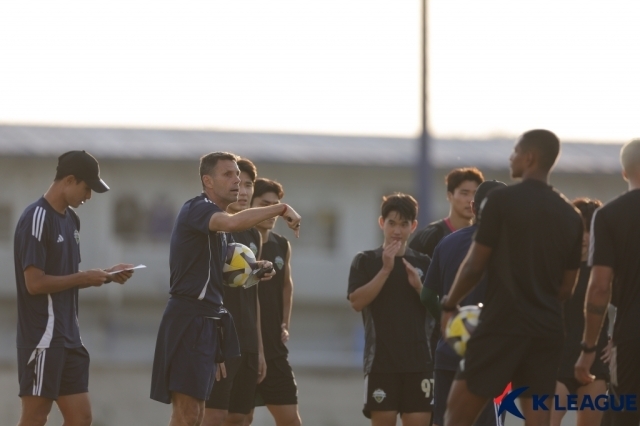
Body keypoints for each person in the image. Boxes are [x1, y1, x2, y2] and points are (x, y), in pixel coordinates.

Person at [440, 129, 583, 426]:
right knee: (538, 419)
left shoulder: (501, 202)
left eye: (516, 150)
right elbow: (568, 288)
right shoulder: (570, 215)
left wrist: (449, 304)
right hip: (547, 331)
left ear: (529, 157)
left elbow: (473, 266)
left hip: (502, 324)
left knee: (456, 414)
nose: (511, 157)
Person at [150, 152, 301, 426]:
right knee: (188, 415)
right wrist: (280, 208)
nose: (237, 182)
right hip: (189, 319)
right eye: (228, 175)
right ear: (208, 181)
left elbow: (225, 275)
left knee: (196, 415)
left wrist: (254, 271)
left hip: (212, 322)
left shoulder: (220, 232)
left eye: (239, 176)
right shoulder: (198, 208)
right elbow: (231, 222)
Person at [14, 150, 135, 426]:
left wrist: (106, 275)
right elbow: (34, 284)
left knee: (81, 417)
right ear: (69, 180)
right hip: (43, 337)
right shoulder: (36, 218)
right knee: (35, 417)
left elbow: (66, 277)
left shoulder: (72, 220)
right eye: (87, 188)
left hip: (70, 336)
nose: (89, 196)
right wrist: (83, 278)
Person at [421, 180, 507, 426]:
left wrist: (452, 325)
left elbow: (427, 296)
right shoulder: (507, 248)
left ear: (473, 206)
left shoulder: (447, 243)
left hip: (449, 351)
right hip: (490, 355)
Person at [348, 193, 433, 426]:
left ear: (413, 226)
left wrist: (419, 288)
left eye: (404, 224)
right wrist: (385, 270)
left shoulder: (424, 263)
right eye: (392, 223)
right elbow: (356, 302)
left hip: (420, 365)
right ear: (381, 223)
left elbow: (439, 310)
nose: (397, 230)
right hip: (381, 364)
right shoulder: (365, 261)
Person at [575, 138, 640, 425]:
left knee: (623, 414)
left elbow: (599, 287)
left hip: (631, 336)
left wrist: (588, 350)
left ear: (624, 172)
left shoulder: (610, 215)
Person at [203, 158, 267, 426]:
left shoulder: (254, 235)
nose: (243, 190)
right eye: (236, 183)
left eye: (248, 184)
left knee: (242, 417)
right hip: (220, 339)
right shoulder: (213, 226)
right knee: (214, 415)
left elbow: (252, 294)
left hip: (248, 341)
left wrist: (260, 349)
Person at [410, 167, 484, 360]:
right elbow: (421, 292)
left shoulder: (487, 240)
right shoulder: (430, 237)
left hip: (476, 334)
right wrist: (446, 319)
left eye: (475, 194)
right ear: (450, 196)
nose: (470, 200)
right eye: (464, 193)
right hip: (434, 338)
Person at [246, 178, 302, 426]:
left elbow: (287, 285)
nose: (271, 211)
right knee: (241, 418)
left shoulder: (282, 244)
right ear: (252, 205)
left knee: (290, 419)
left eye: (275, 205)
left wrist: (284, 323)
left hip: (274, 349)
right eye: (264, 204)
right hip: (245, 347)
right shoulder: (238, 243)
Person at [550, 198, 608, 426]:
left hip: (595, 364)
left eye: (589, 231)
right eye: (579, 229)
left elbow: (630, 307)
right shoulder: (553, 267)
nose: (584, 237)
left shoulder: (605, 272)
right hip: (557, 362)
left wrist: (616, 343)